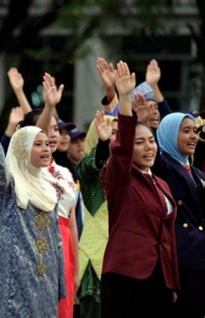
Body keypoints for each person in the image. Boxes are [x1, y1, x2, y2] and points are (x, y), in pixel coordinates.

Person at [0, 82, 66, 317]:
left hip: (45, 280)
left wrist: (60, 282)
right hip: (14, 278)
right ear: (22, 149)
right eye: (37, 144)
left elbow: (57, 242)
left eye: (46, 145)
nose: (45, 149)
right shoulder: (10, 184)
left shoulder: (49, 187)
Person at [100, 61, 179, 316]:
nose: (148, 148)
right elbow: (120, 147)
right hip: (127, 275)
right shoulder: (120, 178)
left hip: (160, 278)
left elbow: (167, 236)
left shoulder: (162, 183)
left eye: (151, 142)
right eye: (140, 143)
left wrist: (172, 282)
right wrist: (123, 98)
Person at [36, 73, 79, 318]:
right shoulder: (31, 169)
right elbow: (35, 133)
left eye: (56, 129)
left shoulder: (64, 172)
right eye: (48, 129)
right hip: (41, 240)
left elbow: (72, 220)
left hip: (65, 244)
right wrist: (50, 106)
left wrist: (76, 265)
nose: (52, 135)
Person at [154, 112, 205, 314]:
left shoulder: (196, 173)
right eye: (185, 131)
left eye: (194, 131)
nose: (193, 136)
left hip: (198, 259)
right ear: (168, 135)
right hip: (179, 261)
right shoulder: (162, 166)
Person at [76, 112, 117, 318]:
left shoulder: (131, 172)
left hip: (123, 261)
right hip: (96, 261)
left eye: (118, 133)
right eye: (112, 133)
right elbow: (92, 167)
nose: (115, 137)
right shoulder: (89, 170)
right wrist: (103, 144)